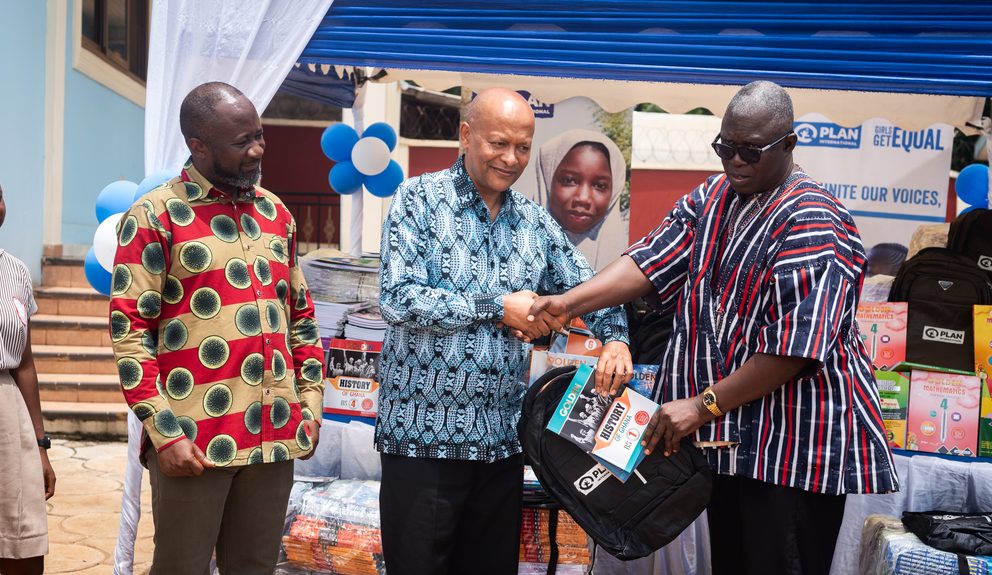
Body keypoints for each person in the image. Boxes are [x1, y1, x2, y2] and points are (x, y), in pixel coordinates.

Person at [527, 81, 899, 575]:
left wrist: (703, 405)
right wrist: (566, 302)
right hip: (731, 445)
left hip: (792, 452)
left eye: (750, 151)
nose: (735, 162)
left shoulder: (814, 221)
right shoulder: (716, 194)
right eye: (726, 147)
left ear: (788, 145)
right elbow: (648, 262)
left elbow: (795, 349)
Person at [376, 88, 631, 575]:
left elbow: (590, 289)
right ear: (466, 135)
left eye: (521, 146)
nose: (511, 159)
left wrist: (615, 336)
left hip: (500, 444)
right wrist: (498, 307)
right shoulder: (418, 200)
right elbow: (399, 299)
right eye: (498, 144)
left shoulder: (534, 223)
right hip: (423, 441)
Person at [109, 82, 324, 575]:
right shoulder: (154, 216)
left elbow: (302, 321)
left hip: (273, 436)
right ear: (198, 145)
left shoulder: (277, 214)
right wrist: (165, 434)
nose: (257, 150)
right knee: (181, 567)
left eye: (260, 135)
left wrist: (309, 407)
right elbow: (130, 333)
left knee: (255, 567)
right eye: (241, 141)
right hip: (195, 441)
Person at [0, 153, 55, 575]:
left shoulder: (16, 270)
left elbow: (24, 362)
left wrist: (39, 445)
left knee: (23, 547)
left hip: (9, 421)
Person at [536, 129, 628, 270]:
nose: (583, 198)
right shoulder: (510, 251)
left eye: (600, 185)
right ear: (547, 180)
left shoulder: (630, 268)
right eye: (569, 180)